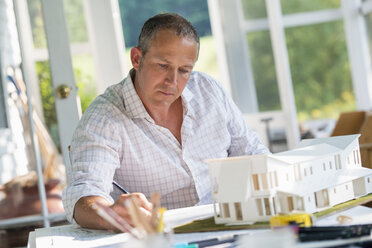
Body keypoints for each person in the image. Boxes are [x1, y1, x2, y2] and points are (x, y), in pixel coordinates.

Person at [62, 13, 269, 231]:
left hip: (231, 225)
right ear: (136, 58)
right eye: (162, 66)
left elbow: (253, 153)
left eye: (184, 70)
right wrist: (109, 214)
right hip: (160, 236)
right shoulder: (104, 118)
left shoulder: (209, 91)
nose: (173, 81)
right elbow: (84, 193)